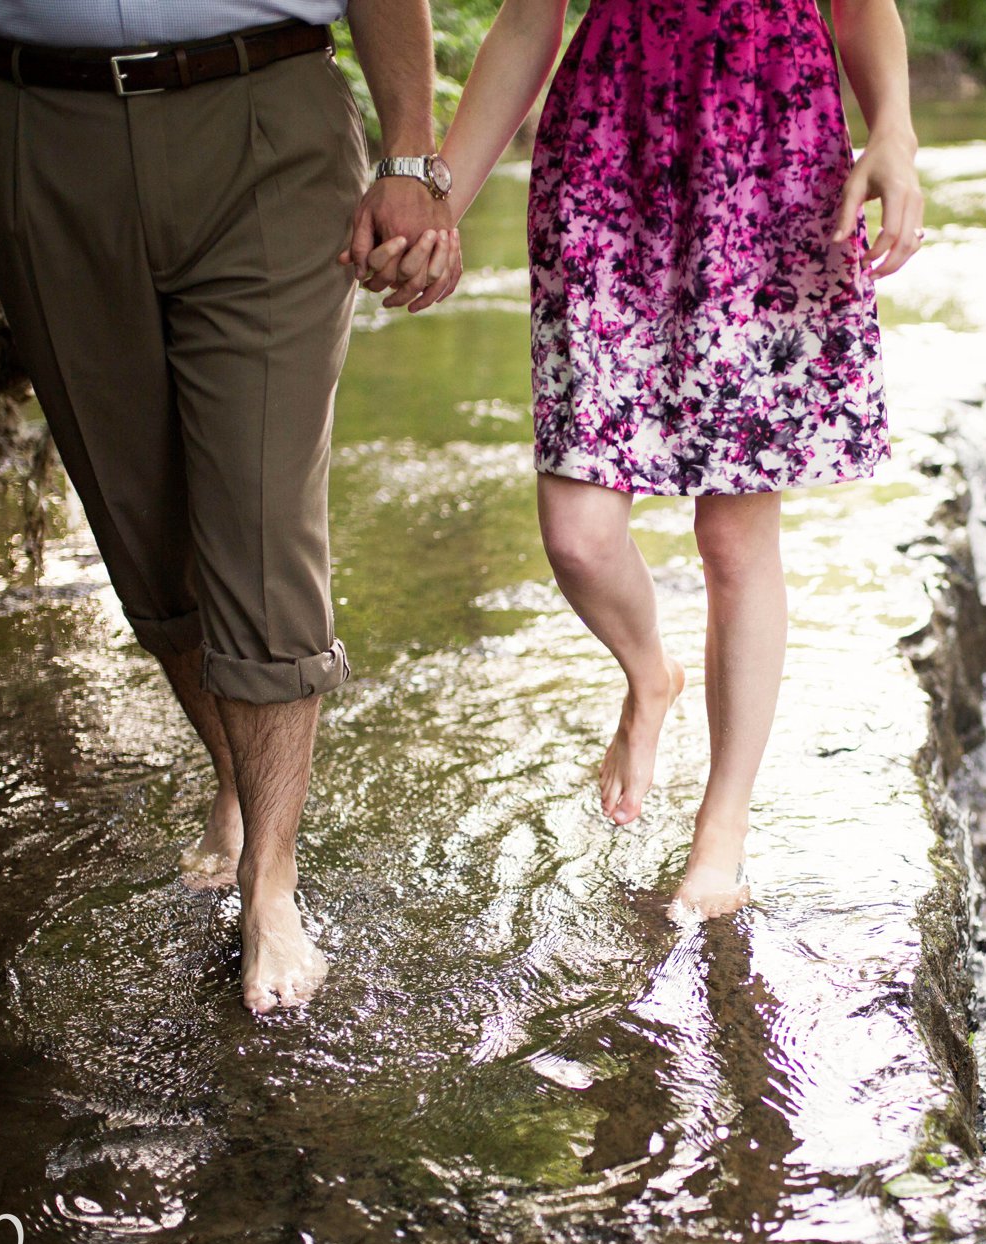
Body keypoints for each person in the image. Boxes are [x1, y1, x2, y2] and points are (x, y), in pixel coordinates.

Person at [0, 0, 466, 1011]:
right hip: (36, 131)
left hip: (269, 119)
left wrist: (409, 156)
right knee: (142, 530)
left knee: (263, 523)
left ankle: (271, 885)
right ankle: (237, 773)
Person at [363, 0, 924, 915]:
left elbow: (863, 10)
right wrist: (439, 208)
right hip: (604, 158)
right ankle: (648, 673)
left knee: (735, 537)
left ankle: (723, 828)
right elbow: (526, 26)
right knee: (579, 533)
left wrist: (893, 134)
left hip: (768, 150)